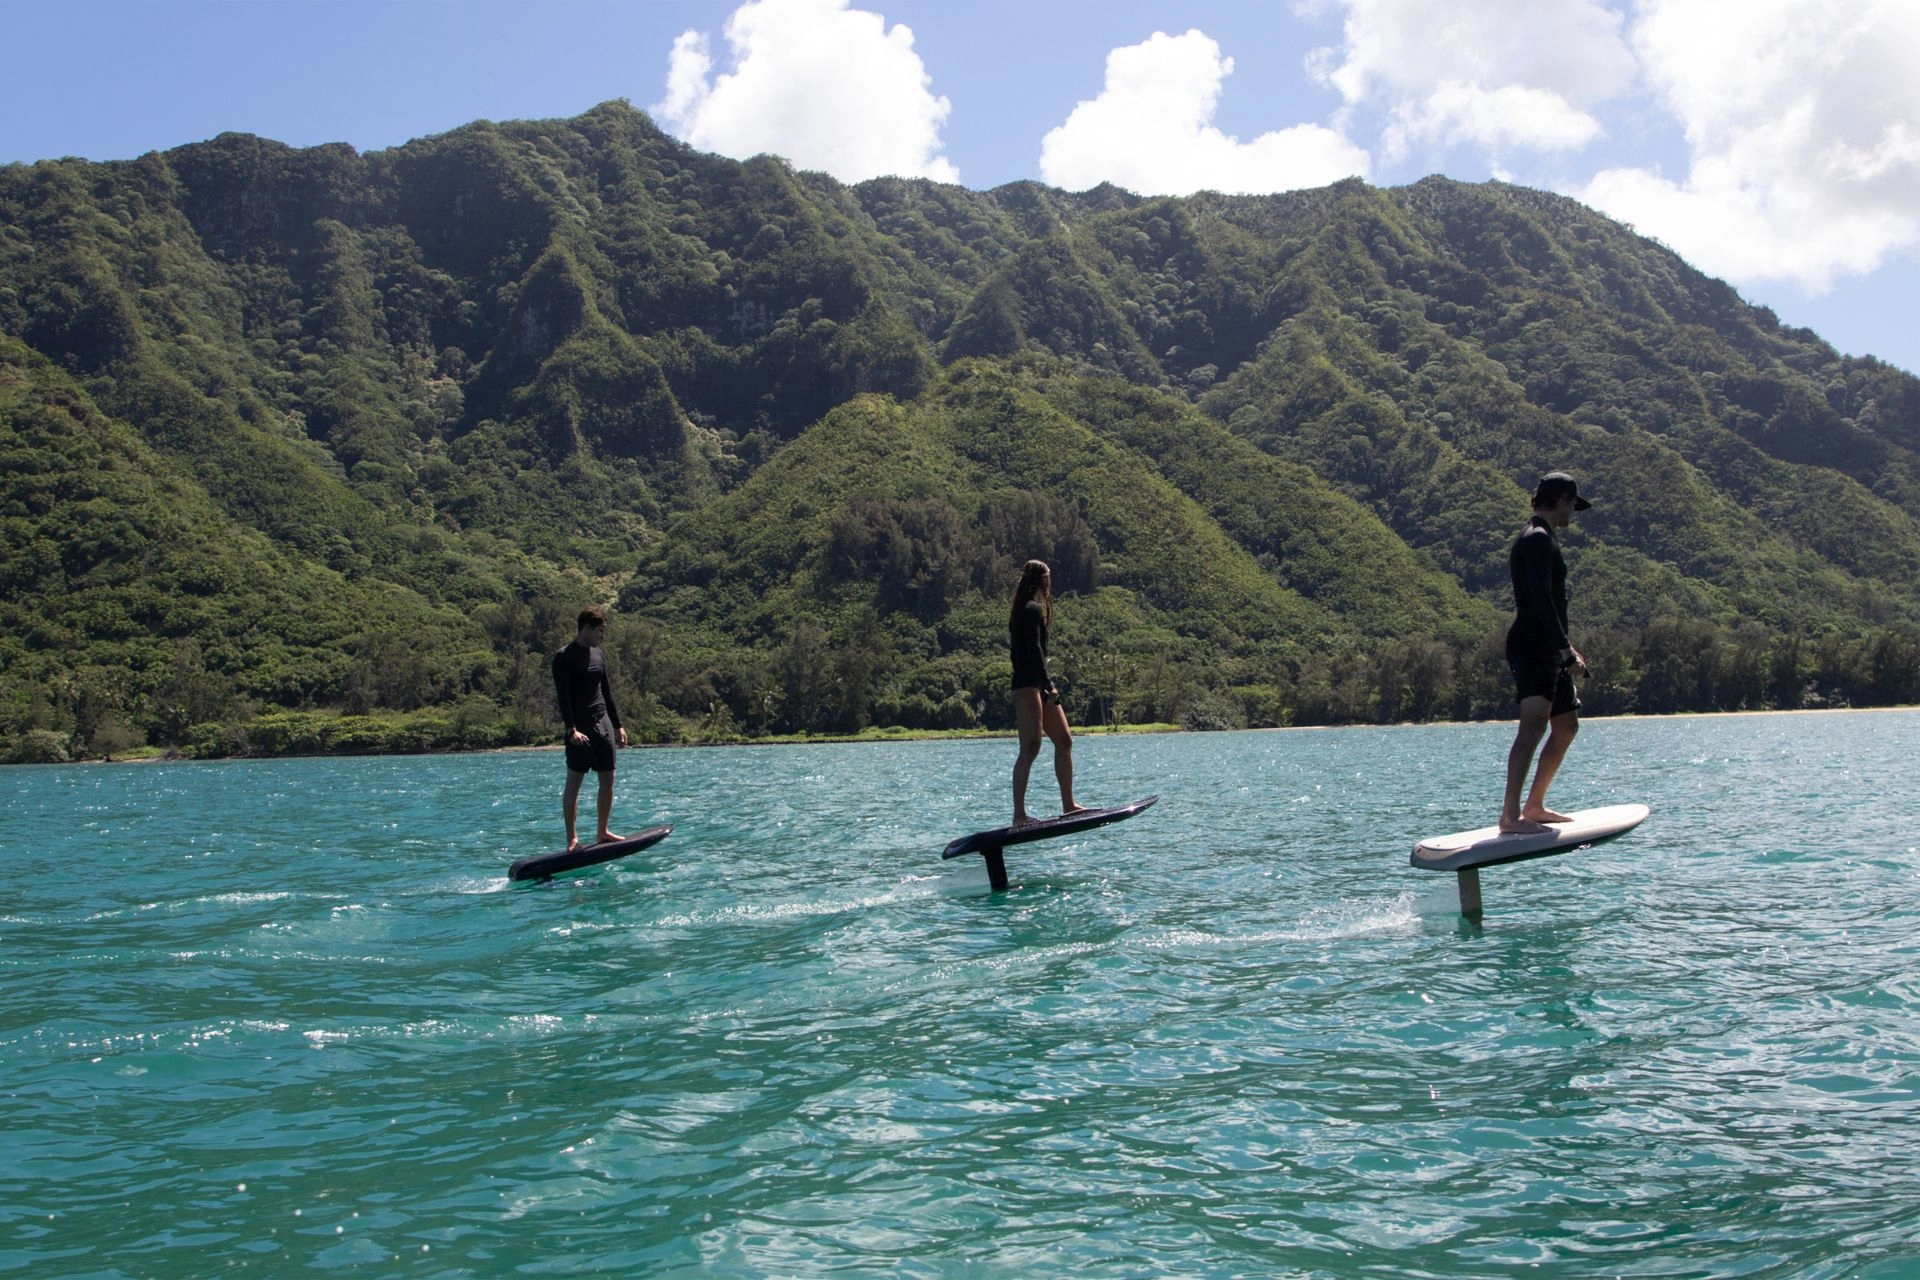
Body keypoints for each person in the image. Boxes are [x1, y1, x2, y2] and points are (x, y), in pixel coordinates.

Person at [1500, 472, 1592, 834]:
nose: (1574, 513)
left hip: (1551, 645)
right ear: (1562, 499)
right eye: (1573, 505)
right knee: (1533, 726)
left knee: (1566, 724)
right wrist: (1563, 649)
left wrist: (1567, 646)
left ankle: (1534, 805)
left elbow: (1553, 603)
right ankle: (1510, 816)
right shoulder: (1536, 538)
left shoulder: (1545, 538)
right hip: (1533, 646)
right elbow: (1540, 600)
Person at [1009, 559, 1087, 828]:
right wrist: (1048, 684)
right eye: (1047, 579)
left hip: (1038, 685)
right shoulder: (1028, 610)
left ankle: (1069, 804)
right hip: (1027, 685)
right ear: (1041, 581)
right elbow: (1034, 651)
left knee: (1064, 741)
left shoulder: (1029, 608)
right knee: (1030, 746)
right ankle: (1019, 814)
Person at [553, 606, 629, 849]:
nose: (601, 636)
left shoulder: (598, 655)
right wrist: (570, 729)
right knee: (574, 782)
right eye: (599, 631)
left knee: (608, 777)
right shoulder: (563, 656)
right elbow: (563, 697)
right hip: (580, 727)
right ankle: (572, 839)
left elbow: (607, 692)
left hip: (603, 723)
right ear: (586, 628)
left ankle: (602, 831)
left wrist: (618, 725)